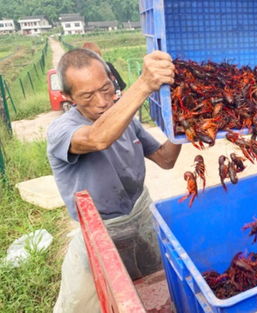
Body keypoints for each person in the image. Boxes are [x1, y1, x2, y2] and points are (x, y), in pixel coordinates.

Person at [47, 48, 181, 313]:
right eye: (87, 95)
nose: (102, 102)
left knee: (157, 291)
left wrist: (181, 129)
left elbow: (166, 160)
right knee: (94, 304)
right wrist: (143, 84)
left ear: (112, 79)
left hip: (141, 219)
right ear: (69, 97)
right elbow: (98, 138)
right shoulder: (61, 130)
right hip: (101, 233)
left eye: (106, 88)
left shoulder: (127, 120)